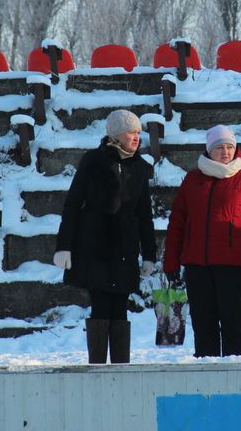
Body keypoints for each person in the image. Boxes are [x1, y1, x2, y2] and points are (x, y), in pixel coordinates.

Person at [53, 110, 156, 364]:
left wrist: (149, 255)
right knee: (100, 304)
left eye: (139, 133)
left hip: (125, 248)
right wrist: (64, 246)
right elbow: (73, 204)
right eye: (132, 132)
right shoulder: (93, 161)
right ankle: (97, 367)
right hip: (93, 246)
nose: (137, 137)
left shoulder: (141, 167)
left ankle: (121, 368)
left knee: (120, 307)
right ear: (116, 134)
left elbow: (145, 215)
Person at [162, 124, 241, 357]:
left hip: (233, 267)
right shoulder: (192, 180)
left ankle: (240, 375)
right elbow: (177, 224)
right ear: (208, 150)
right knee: (203, 325)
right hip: (196, 267)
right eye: (219, 147)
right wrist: (171, 262)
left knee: (234, 325)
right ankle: (206, 375)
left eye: (230, 147)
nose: (225, 152)